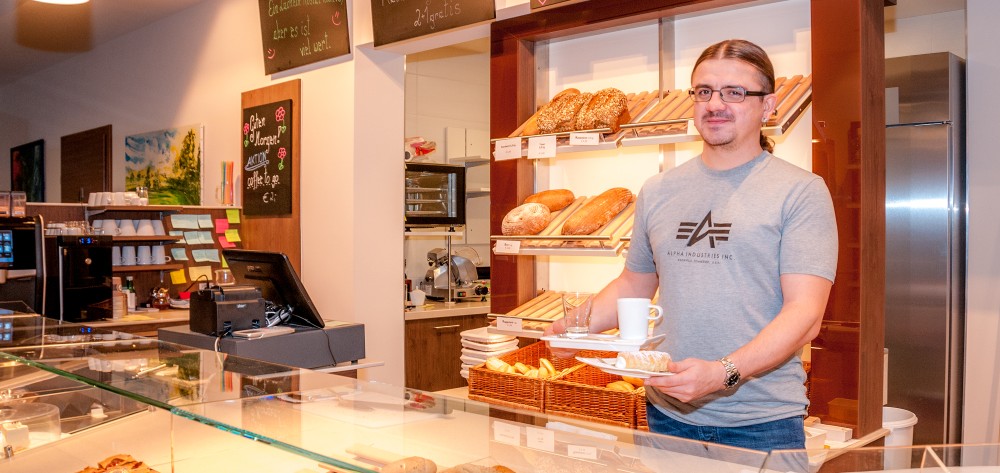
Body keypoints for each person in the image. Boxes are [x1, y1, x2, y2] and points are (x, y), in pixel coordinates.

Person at [544, 39, 838, 452]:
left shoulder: (800, 191)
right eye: (704, 91)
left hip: (760, 423)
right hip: (666, 413)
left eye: (734, 92)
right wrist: (573, 327)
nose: (715, 104)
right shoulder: (660, 190)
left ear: (768, 106)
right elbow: (634, 284)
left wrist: (724, 372)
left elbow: (805, 314)